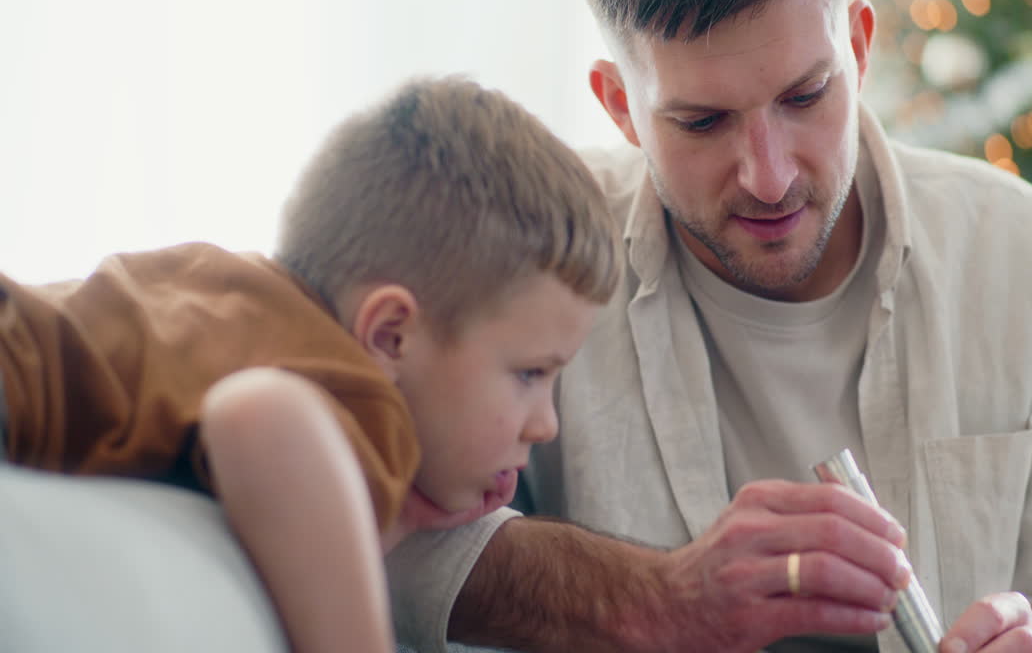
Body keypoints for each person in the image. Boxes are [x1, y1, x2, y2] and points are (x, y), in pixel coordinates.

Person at [387, 0, 1032, 652]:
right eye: (702, 122)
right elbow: (384, 538)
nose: (770, 175)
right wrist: (659, 596)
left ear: (857, 48)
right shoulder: (521, 254)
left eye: (806, 96)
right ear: (620, 105)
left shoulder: (1029, 260)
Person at [0, 76, 620, 653]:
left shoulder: (230, 294)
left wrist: (395, 519)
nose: (545, 424)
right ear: (391, 336)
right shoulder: (359, 392)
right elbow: (260, 417)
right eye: (530, 375)